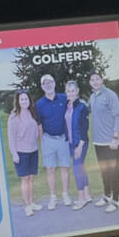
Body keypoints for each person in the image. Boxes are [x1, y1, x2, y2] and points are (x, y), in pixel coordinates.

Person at [35, 73, 72, 210]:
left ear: (54, 83)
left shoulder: (64, 98)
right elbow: (39, 124)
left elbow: (72, 114)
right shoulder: (39, 104)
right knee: (50, 169)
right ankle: (53, 197)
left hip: (63, 139)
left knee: (64, 168)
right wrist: (42, 142)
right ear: (42, 86)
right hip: (48, 140)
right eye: (45, 83)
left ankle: (65, 194)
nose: (48, 85)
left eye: (50, 82)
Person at [88, 70, 119, 213]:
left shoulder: (110, 95)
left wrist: (115, 137)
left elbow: (118, 116)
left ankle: (116, 200)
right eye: (92, 79)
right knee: (104, 170)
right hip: (98, 142)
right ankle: (107, 195)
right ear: (90, 82)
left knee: (113, 171)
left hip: (111, 141)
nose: (95, 81)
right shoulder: (92, 96)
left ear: (102, 80)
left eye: (97, 79)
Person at [6, 90, 41, 216]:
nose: (24, 101)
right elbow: (11, 138)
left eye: (26, 99)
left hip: (33, 151)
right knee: (25, 179)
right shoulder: (14, 117)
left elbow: (36, 132)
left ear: (29, 100)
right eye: (22, 99)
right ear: (18, 101)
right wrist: (14, 154)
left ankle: (31, 203)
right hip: (21, 153)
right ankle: (27, 206)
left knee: (31, 178)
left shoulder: (32, 113)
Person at [64, 80, 92, 210]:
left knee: (76, 169)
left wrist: (79, 146)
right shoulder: (68, 105)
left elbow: (85, 129)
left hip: (80, 143)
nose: (71, 93)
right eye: (68, 91)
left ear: (77, 91)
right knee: (81, 168)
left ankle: (81, 199)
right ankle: (87, 195)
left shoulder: (82, 107)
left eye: (73, 91)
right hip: (71, 143)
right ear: (66, 92)